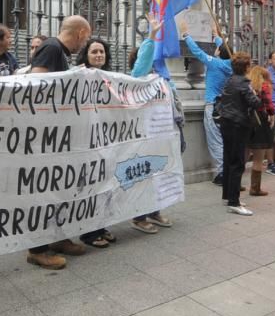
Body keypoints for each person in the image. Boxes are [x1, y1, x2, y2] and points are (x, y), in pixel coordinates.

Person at [25, 16, 92, 269]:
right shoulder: (52, 48)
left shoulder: (59, 52)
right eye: (85, 39)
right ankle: (37, 249)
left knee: (58, 189)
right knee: (45, 192)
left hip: (56, 134)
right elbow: (37, 85)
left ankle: (57, 238)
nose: (83, 44)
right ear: (81, 32)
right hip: (44, 135)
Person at [126, 14, 177, 232]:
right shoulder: (138, 78)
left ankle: (155, 210)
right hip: (143, 136)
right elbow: (141, 67)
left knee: (160, 173)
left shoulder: (161, 79)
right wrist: (152, 36)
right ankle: (139, 217)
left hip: (162, 134)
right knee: (143, 175)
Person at [74, 37, 118, 248]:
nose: (99, 55)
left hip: (104, 141)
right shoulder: (79, 75)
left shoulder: (109, 78)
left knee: (104, 185)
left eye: (102, 52)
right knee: (90, 186)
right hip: (86, 142)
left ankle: (101, 226)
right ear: (86, 55)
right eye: (94, 52)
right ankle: (88, 232)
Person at [179, 21, 232, 186]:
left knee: (216, 141)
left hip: (213, 106)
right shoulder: (231, 64)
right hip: (226, 108)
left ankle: (222, 174)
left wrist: (186, 34)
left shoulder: (214, 63)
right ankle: (228, 170)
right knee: (225, 140)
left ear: (218, 52)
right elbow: (224, 49)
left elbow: (197, 52)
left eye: (217, 48)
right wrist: (216, 36)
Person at [217, 52, 263, 215]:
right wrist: (257, 93)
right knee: (237, 163)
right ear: (246, 67)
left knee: (228, 159)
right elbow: (255, 103)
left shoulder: (229, 80)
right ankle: (234, 202)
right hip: (238, 124)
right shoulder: (244, 82)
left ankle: (227, 196)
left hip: (226, 123)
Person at [246, 65, 275, 196]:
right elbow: (269, 104)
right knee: (258, 158)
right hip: (260, 124)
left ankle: (235, 185)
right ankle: (255, 188)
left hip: (247, 123)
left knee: (243, 156)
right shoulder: (263, 86)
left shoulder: (247, 87)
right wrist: (272, 114)